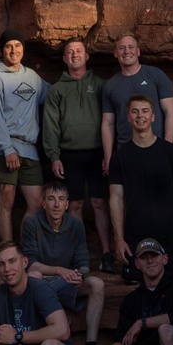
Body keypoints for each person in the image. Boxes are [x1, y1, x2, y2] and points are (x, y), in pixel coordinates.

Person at [41, 37, 115, 273]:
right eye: (70, 52)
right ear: (64, 59)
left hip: (97, 153)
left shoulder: (102, 85)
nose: (74, 54)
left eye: (79, 51)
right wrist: (54, 156)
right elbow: (50, 126)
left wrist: (108, 154)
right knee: (74, 205)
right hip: (69, 154)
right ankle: (79, 256)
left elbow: (110, 121)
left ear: (87, 56)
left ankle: (107, 254)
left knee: (100, 203)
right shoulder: (57, 89)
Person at [21, 181, 106, 345]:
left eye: (61, 200)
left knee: (97, 284)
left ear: (67, 204)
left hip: (65, 282)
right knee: (33, 276)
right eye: (51, 199)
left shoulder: (75, 225)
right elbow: (29, 264)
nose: (56, 205)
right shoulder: (32, 223)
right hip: (43, 280)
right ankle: (31, 343)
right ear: (43, 203)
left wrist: (80, 276)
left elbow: (83, 261)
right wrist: (60, 270)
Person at [109, 94, 173, 281]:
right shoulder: (119, 157)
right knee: (136, 290)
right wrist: (119, 239)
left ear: (153, 117)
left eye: (145, 111)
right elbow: (116, 199)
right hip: (136, 238)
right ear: (128, 117)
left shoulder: (172, 152)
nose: (140, 115)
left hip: (171, 236)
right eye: (135, 111)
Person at [0, 29, 49, 244]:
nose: (14, 50)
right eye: (9, 46)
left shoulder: (32, 77)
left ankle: (25, 251)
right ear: (3, 50)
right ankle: (7, 249)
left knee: (37, 202)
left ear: (23, 49)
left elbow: (53, 96)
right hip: (4, 147)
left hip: (29, 146)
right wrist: (7, 148)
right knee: (7, 199)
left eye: (18, 45)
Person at [101, 33, 173, 171]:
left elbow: (170, 112)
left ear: (138, 51)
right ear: (115, 53)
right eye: (122, 48)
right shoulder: (109, 86)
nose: (127, 51)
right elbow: (108, 123)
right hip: (125, 151)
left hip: (156, 149)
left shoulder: (156, 75)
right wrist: (108, 156)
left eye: (131, 47)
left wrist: (167, 147)